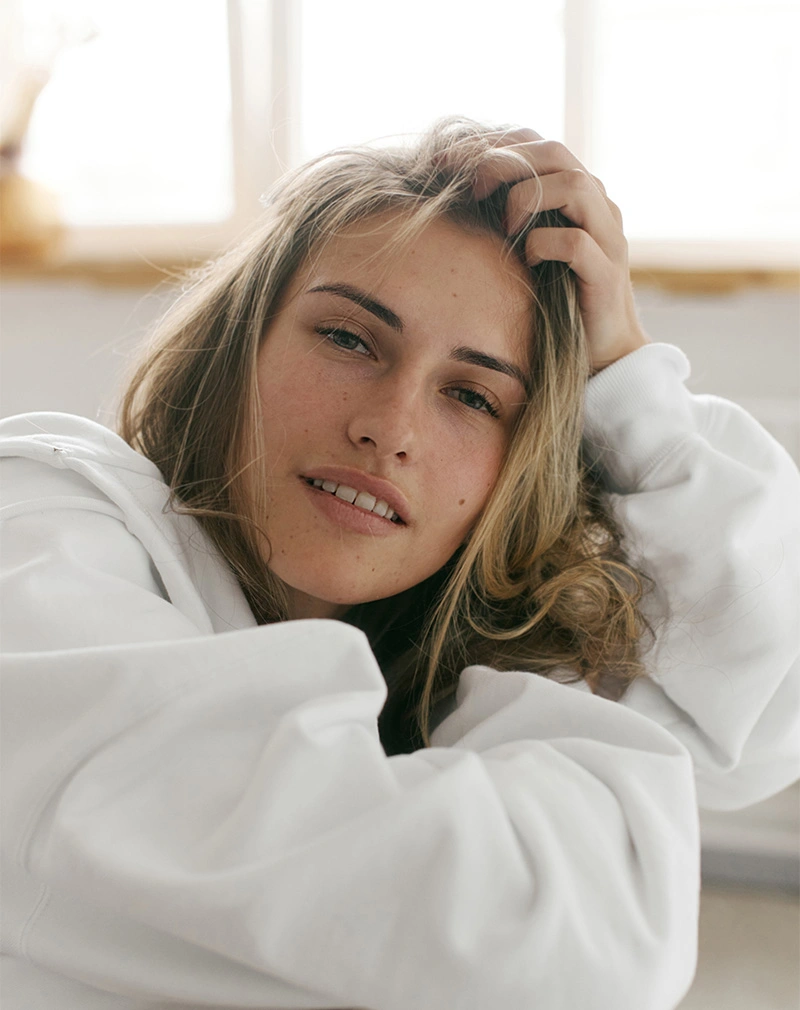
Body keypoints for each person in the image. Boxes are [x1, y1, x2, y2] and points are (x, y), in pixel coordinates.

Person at [1, 117, 798, 1010]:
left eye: (471, 395)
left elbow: (764, 711)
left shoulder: (432, 654)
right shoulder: (42, 521)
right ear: (240, 343)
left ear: (519, 462)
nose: (392, 427)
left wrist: (625, 379)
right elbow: (579, 946)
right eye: (348, 339)